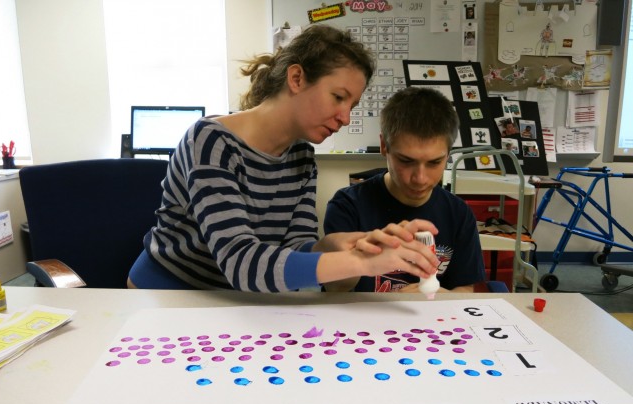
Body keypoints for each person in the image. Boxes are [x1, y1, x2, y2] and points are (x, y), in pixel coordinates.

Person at [127, 24, 439, 292]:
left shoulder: (302, 156)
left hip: (233, 299)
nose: (345, 117)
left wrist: (350, 245)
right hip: (170, 291)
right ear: (297, 78)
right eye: (339, 97)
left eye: (352, 105)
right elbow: (241, 262)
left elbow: (294, 248)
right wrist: (356, 262)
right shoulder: (211, 141)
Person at [324, 87, 486, 293]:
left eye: (434, 162)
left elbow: (464, 289)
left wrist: (439, 299)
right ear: (384, 146)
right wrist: (358, 260)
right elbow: (335, 290)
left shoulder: (458, 213)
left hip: (432, 322)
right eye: (406, 161)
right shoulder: (347, 206)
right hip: (367, 322)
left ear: (448, 154)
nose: (420, 179)